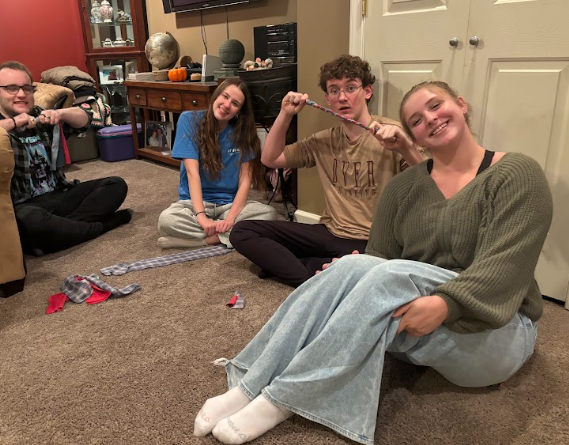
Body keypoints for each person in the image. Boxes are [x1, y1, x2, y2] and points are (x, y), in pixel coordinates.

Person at [194, 80, 553, 444]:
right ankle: (250, 382)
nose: (429, 119)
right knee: (350, 267)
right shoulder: (401, 189)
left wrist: (448, 303)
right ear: (415, 136)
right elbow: (378, 259)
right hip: (417, 328)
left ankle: (281, 398)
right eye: (415, 119)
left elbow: (506, 270)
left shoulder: (517, 173)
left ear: (461, 104)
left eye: (435, 105)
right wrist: (341, 283)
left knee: (384, 274)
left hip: (495, 330)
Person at [229, 55, 424, 286]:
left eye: (351, 88)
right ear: (327, 99)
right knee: (242, 231)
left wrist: (405, 147)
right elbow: (271, 158)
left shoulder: (394, 135)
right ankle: (315, 277)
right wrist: (286, 114)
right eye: (334, 90)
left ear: (367, 92)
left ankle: (316, 269)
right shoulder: (323, 141)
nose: (342, 97)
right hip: (329, 232)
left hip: (372, 242)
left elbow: (431, 183)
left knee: (382, 272)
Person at [0, 61, 131, 255]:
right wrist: (13, 122)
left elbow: (85, 119)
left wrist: (60, 113)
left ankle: (58, 234)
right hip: (24, 206)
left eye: (26, 88)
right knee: (31, 220)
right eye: (11, 88)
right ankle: (102, 226)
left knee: (116, 185)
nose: (21, 94)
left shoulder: (39, 115)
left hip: (60, 194)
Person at [157, 77, 278, 249]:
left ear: (239, 112)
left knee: (269, 214)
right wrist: (201, 216)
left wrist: (229, 220)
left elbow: (245, 181)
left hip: (228, 205)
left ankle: (206, 240)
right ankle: (229, 237)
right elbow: (193, 174)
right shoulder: (189, 120)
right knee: (167, 220)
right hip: (193, 204)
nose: (227, 105)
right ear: (215, 96)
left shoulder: (243, 134)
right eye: (225, 96)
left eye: (235, 103)